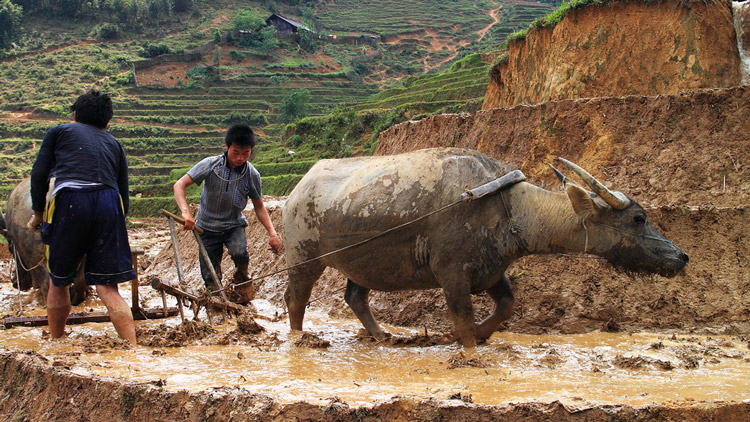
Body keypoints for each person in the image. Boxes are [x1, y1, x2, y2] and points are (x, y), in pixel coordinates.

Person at [27, 90, 137, 344]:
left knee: (59, 280)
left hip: (71, 200)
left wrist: (38, 214)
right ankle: (133, 347)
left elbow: (39, 174)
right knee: (109, 287)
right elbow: (124, 194)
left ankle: (57, 342)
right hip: (110, 203)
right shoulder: (114, 144)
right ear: (107, 121)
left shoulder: (59, 132)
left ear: (75, 114)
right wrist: (115, 226)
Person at [173, 124, 281, 303]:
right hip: (206, 228)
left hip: (233, 225)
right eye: (236, 152)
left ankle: (242, 288)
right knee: (210, 273)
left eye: (245, 153)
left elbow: (259, 206)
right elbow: (179, 185)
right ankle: (217, 303)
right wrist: (186, 213)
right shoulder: (210, 165)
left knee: (240, 254)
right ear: (227, 147)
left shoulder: (252, 175)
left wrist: (272, 232)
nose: (240, 158)